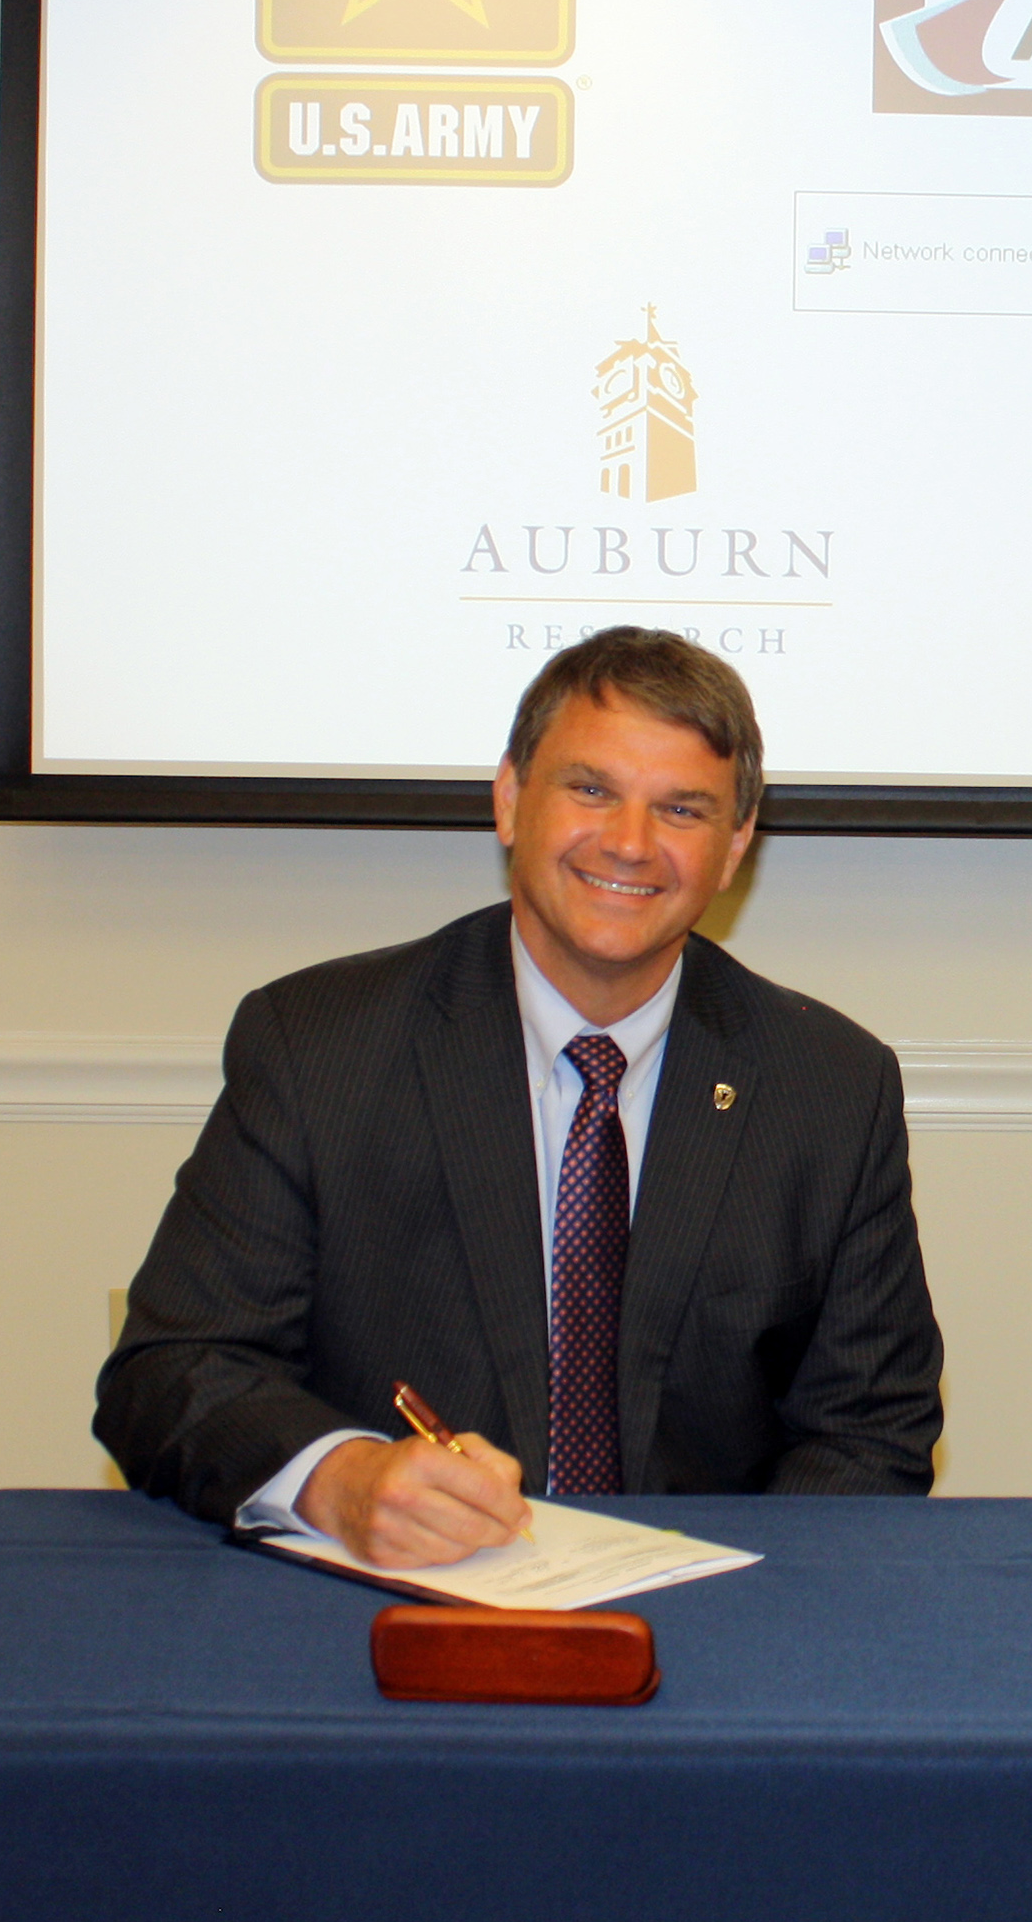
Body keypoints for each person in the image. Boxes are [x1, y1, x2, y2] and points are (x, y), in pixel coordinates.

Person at [97, 628, 943, 1568]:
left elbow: (870, 1429)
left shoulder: (829, 1085)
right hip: (388, 1613)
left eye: (682, 808)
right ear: (509, 800)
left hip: (711, 1632)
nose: (629, 841)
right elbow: (171, 1370)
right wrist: (342, 1482)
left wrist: (735, 1601)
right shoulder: (317, 1046)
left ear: (736, 844)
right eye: (591, 790)